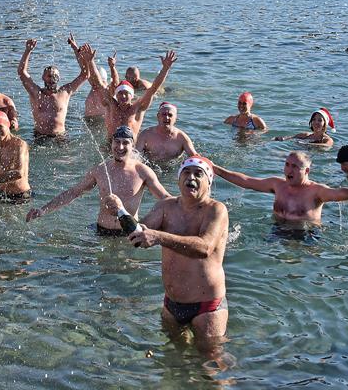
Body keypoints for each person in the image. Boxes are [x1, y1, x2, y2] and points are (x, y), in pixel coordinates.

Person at [102, 155, 229, 344]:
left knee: (211, 365)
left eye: (198, 174)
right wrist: (120, 211)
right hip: (171, 305)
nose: (191, 178)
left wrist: (159, 237)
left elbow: (204, 248)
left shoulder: (216, 210)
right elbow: (138, 236)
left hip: (206, 306)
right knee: (173, 360)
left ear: (208, 182)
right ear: (178, 179)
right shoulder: (166, 207)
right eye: (186, 172)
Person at [26, 126, 169, 234]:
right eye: (116, 142)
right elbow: (74, 192)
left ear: (132, 145)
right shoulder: (101, 170)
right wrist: (43, 210)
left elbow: (165, 199)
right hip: (101, 232)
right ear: (111, 144)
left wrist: (151, 224)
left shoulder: (142, 172)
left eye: (125, 143)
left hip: (129, 234)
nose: (120, 147)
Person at [212, 151, 348, 226]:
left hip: (306, 236)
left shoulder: (315, 191)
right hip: (277, 230)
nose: (288, 170)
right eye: (286, 165)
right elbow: (246, 181)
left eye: (294, 167)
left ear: (306, 171)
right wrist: (216, 169)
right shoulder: (277, 184)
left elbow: (335, 193)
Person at [78, 43, 177, 137]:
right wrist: (90, 62)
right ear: (116, 95)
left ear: (132, 95)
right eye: (120, 93)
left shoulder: (138, 108)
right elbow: (99, 84)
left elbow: (153, 88)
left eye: (126, 93)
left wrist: (165, 68)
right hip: (110, 147)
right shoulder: (110, 105)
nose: (123, 96)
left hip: (131, 149)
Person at [18, 36, 87, 137]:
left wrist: (75, 49)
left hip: (60, 137)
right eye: (49, 76)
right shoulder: (36, 93)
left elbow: (85, 73)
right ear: (43, 78)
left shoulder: (65, 92)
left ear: (59, 78)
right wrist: (28, 50)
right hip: (39, 136)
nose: (52, 79)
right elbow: (21, 72)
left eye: (55, 76)